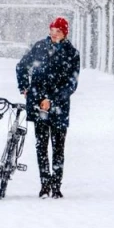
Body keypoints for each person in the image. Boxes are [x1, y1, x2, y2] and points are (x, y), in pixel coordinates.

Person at [16, 17, 80, 198]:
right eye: (52, 29)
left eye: (58, 31)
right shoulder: (39, 47)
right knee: (41, 146)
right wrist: (25, 87)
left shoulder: (72, 53)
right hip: (38, 105)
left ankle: (56, 185)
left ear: (64, 33)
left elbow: (71, 84)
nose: (54, 33)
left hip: (59, 107)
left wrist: (52, 99)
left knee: (58, 148)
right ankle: (45, 184)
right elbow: (21, 66)